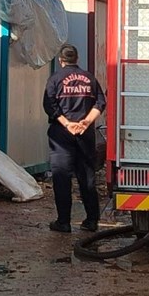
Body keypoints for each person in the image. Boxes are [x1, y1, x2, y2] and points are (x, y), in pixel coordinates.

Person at [43, 43, 106, 233]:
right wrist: (85, 122)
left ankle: (64, 222)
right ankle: (92, 220)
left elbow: (50, 106)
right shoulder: (89, 78)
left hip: (62, 135)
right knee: (87, 177)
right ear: (76, 59)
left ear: (61, 61)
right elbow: (101, 103)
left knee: (62, 178)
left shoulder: (55, 79)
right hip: (85, 135)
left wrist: (67, 123)